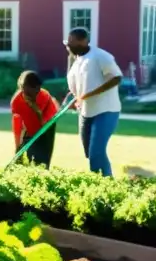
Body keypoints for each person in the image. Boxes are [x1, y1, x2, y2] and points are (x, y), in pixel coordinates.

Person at [64, 27, 122, 177]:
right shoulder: (76, 60)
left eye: (71, 42)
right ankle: (100, 182)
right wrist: (73, 99)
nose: (68, 45)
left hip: (106, 110)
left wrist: (91, 94)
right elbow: (78, 87)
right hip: (85, 112)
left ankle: (105, 186)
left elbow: (116, 77)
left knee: (96, 152)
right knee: (89, 153)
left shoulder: (101, 56)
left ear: (83, 41)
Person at [10, 71, 59, 168]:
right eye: (35, 90)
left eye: (38, 89)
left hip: (47, 126)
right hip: (31, 128)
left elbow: (42, 123)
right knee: (28, 158)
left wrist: (35, 108)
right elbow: (17, 126)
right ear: (24, 88)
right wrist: (18, 147)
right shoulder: (16, 102)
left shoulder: (43, 96)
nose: (37, 92)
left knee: (42, 160)